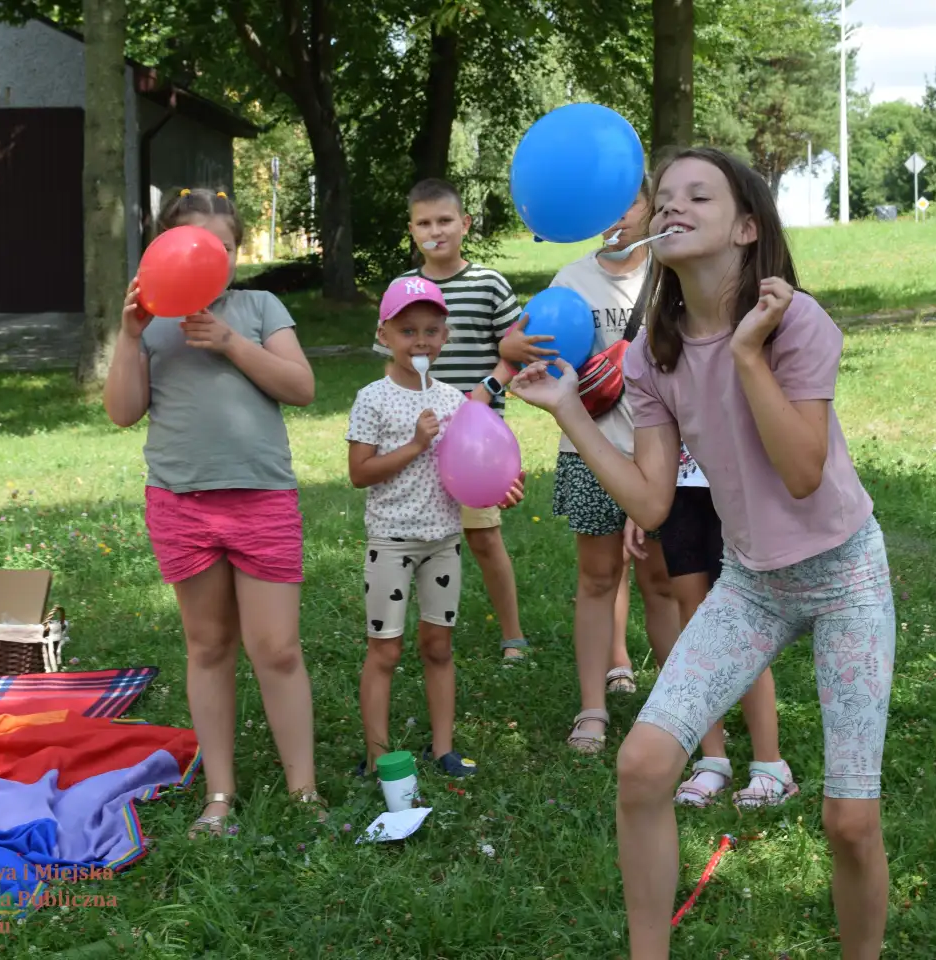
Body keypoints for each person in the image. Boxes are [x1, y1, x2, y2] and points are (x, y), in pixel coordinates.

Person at [509, 147, 895, 960]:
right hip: (753, 584)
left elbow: (800, 473)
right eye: (668, 196)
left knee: (850, 821)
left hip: (844, 575)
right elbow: (651, 501)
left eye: (700, 195)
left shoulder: (799, 323)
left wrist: (749, 351)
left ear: (747, 229)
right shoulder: (656, 351)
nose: (674, 205)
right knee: (643, 767)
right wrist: (568, 409)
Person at [104, 187, 326, 838]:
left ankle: (303, 788)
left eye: (225, 248)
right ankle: (220, 793)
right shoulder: (152, 322)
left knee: (278, 648)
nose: (214, 260)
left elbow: (303, 387)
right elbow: (121, 411)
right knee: (207, 646)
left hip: (261, 499)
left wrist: (231, 342)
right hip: (181, 504)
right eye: (198, 247)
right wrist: (128, 335)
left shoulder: (259, 307)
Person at [508, 178, 682, 753]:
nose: (617, 218)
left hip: (661, 455)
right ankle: (592, 709)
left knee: (661, 581)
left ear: (651, 207)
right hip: (588, 452)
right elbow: (522, 347)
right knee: (597, 579)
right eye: (603, 206)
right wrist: (520, 352)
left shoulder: (672, 275)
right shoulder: (571, 279)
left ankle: (677, 708)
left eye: (629, 203)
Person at [348, 276, 525, 778]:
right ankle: (378, 754)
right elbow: (360, 472)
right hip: (390, 543)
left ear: (445, 337)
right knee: (385, 648)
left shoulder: (455, 402)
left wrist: (503, 485)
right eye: (408, 331)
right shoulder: (372, 399)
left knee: (439, 646)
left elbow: (476, 464)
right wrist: (412, 446)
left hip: (443, 542)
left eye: (431, 330)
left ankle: (443, 747)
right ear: (385, 334)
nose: (420, 341)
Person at [375, 178, 530, 661]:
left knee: (483, 538)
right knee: (415, 539)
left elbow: (516, 353)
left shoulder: (489, 285)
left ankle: (513, 635)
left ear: (464, 224)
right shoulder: (402, 290)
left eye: (445, 220)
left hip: (474, 445)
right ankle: (417, 631)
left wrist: (483, 395)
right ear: (411, 230)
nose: (435, 231)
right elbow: (389, 362)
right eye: (424, 223)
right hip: (418, 437)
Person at [625, 445, 794, 808]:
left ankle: (770, 764)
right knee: (693, 613)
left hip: (738, 484)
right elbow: (656, 423)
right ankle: (712, 759)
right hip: (678, 485)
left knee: (745, 619)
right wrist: (641, 498)